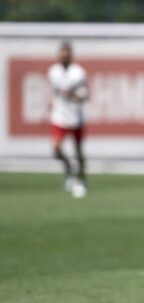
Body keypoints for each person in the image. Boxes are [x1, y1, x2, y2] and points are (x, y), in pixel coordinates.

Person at [48, 41, 89, 198]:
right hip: (59, 116)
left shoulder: (78, 73)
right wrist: (52, 101)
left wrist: (72, 96)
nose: (64, 57)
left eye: (67, 55)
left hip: (76, 116)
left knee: (79, 151)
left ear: (71, 56)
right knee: (56, 149)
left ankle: (82, 178)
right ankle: (69, 167)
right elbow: (54, 92)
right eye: (61, 54)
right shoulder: (53, 72)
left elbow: (85, 95)